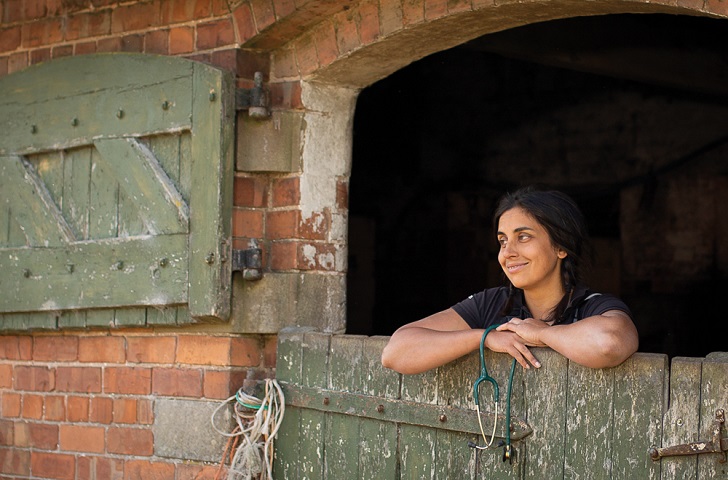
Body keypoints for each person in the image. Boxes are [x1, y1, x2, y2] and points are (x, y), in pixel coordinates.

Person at [381, 186, 639, 375]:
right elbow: (396, 352)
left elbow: (609, 344)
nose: (508, 252)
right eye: (503, 241)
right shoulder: (492, 303)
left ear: (561, 247)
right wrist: (484, 338)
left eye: (523, 237)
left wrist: (543, 334)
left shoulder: (593, 305)